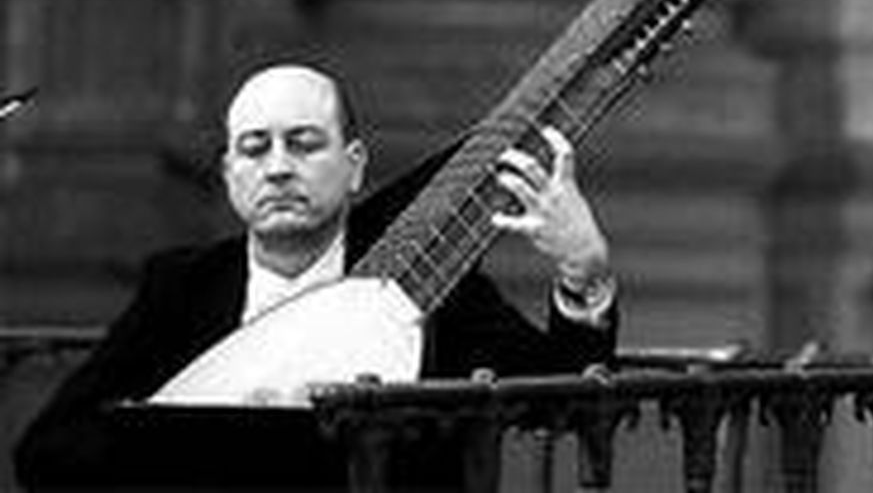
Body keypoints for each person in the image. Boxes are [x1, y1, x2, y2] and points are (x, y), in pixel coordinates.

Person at [14, 63, 619, 490]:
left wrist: (583, 271)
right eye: (255, 148)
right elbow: (51, 452)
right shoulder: (183, 286)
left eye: (303, 145)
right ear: (229, 174)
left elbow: (558, 398)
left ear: (354, 167)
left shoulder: (428, 286)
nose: (278, 168)